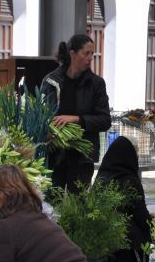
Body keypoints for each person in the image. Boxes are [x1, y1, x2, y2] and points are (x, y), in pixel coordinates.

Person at [41, 34, 110, 194]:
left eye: (92, 54)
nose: (90, 58)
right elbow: (42, 115)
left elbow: (105, 120)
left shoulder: (96, 84)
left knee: (77, 204)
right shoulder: (51, 81)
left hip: (82, 157)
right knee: (53, 200)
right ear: (72, 54)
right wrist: (49, 131)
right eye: (86, 53)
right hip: (54, 154)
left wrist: (77, 119)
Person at [95, 134, 154, 262]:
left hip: (100, 230)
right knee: (151, 233)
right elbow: (141, 216)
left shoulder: (102, 177)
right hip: (123, 233)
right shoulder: (129, 180)